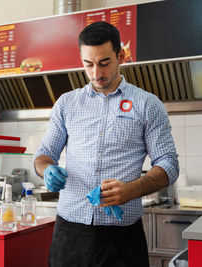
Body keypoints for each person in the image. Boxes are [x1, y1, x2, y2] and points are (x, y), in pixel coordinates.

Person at [34, 21, 179, 267]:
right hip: (69, 234)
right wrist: (46, 169)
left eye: (104, 63)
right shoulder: (66, 104)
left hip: (121, 238)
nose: (96, 74)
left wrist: (132, 189)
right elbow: (44, 155)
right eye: (88, 64)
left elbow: (169, 165)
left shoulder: (147, 104)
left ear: (120, 56)